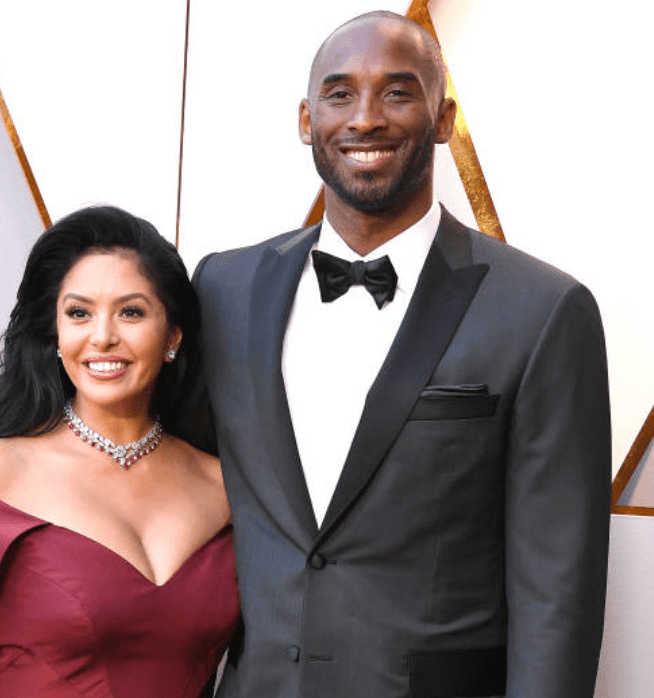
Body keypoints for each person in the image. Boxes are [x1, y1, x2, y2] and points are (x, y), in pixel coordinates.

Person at [192, 11, 610, 698]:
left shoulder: (542, 311)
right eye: (339, 93)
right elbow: (154, 471)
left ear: (444, 118)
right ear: (305, 119)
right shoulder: (223, 289)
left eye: (397, 92)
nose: (365, 119)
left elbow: (556, 593)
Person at [0, 206, 239, 697]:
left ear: (172, 336)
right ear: (56, 335)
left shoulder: (223, 484)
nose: (102, 336)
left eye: (131, 311)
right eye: (78, 313)